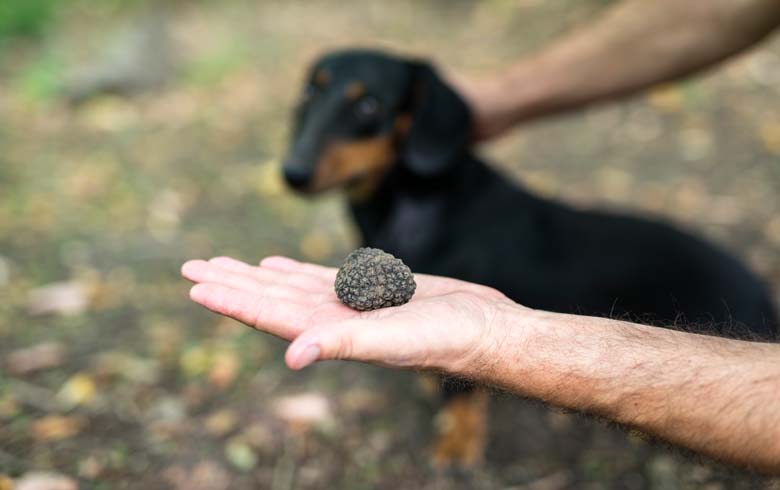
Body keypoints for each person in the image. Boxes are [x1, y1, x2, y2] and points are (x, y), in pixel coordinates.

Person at [182, 0, 780, 474]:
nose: (307, 155)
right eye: (316, 97)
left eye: (365, 113)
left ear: (416, 121)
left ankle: (462, 425)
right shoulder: (404, 208)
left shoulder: (453, 229)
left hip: (726, 306)